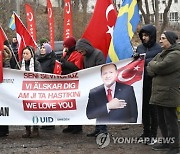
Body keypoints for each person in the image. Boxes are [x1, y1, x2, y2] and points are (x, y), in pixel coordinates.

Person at [147, 31, 180, 154]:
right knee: (162, 121)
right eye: (160, 38)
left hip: (169, 94)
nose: (160, 41)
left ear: (170, 40)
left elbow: (160, 67)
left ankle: (175, 147)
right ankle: (166, 142)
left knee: (171, 122)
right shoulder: (162, 53)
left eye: (163, 38)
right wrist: (153, 66)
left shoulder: (176, 55)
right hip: (159, 93)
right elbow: (150, 70)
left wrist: (153, 65)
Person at [135, 24, 162, 145]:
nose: (144, 38)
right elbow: (135, 63)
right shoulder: (140, 48)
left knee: (153, 110)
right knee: (144, 109)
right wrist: (134, 58)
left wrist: (144, 61)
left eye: (146, 35)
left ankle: (153, 134)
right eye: (142, 35)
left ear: (152, 36)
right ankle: (145, 132)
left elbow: (157, 64)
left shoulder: (159, 49)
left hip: (153, 82)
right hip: (141, 83)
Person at [75, 38, 106, 137]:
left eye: (81, 50)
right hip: (91, 86)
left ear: (86, 47)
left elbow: (101, 69)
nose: (81, 53)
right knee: (95, 108)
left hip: (100, 85)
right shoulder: (85, 57)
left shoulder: (98, 54)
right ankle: (97, 128)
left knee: (101, 107)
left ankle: (103, 130)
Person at [17, 46, 42, 138]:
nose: (25, 55)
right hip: (23, 91)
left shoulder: (36, 64)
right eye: (23, 53)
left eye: (27, 53)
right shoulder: (19, 64)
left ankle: (36, 129)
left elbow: (40, 75)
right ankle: (27, 129)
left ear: (31, 54)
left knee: (34, 110)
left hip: (34, 91)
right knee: (25, 110)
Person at [61, 37, 84, 134]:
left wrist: (65, 63)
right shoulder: (67, 54)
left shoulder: (78, 55)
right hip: (67, 82)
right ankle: (70, 124)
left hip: (75, 83)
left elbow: (77, 68)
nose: (65, 48)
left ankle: (77, 126)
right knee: (69, 105)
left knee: (75, 105)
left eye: (66, 46)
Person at [37, 43, 56, 130]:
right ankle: (44, 122)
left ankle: (51, 123)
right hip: (40, 85)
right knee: (42, 104)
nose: (42, 49)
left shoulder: (52, 60)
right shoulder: (38, 59)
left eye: (44, 48)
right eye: (41, 48)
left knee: (49, 104)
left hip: (49, 84)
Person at [0, 45, 12, 137]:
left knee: (4, 109)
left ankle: (4, 130)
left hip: (5, 87)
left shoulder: (7, 60)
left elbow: (9, 71)